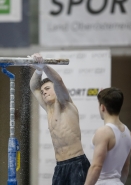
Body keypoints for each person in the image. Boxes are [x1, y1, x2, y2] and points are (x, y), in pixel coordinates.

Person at [29, 53, 90, 185]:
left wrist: (44, 66)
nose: (44, 92)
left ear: (56, 91)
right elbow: (34, 87)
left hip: (77, 163)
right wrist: (38, 70)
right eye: (43, 91)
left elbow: (58, 81)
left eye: (47, 89)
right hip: (60, 166)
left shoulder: (65, 103)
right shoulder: (48, 108)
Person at [85, 87, 131, 185]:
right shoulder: (128, 133)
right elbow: (126, 167)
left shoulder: (104, 132)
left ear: (102, 107)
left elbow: (96, 167)